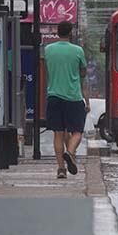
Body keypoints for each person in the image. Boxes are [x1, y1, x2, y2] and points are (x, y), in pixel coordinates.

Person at [43, 21, 90, 179]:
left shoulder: (48, 50)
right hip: (73, 97)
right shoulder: (78, 51)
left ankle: (61, 169)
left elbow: (48, 69)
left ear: (57, 32)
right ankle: (69, 153)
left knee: (58, 134)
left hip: (54, 96)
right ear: (71, 33)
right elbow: (83, 73)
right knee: (77, 131)